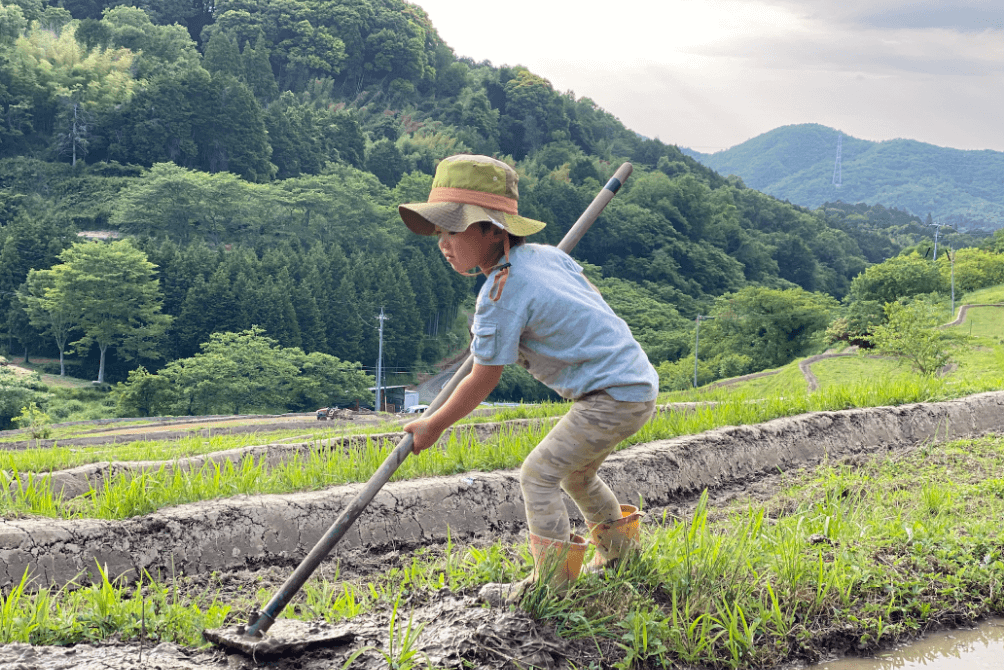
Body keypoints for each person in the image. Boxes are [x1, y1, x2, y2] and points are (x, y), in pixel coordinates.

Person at [399, 154, 659, 605]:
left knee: (538, 474)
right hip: (634, 384)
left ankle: (551, 586)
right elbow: (582, 303)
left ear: (493, 230)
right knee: (576, 475)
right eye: (440, 231)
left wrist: (433, 423)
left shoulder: (500, 293)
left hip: (609, 396)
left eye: (454, 229)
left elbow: (482, 380)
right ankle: (621, 558)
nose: (443, 242)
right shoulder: (545, 259)